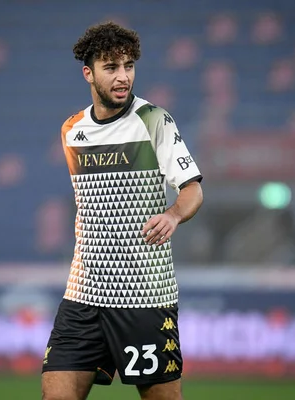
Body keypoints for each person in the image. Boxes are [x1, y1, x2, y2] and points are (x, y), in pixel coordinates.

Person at [41, 22, 204, 400]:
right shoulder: (72, 130)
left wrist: (173, 215)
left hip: (143, 296)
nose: (122, 76)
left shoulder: (154, 121)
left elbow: (192, 188)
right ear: (89, 73)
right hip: (83, 295)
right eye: (111, 67)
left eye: (128, 66)